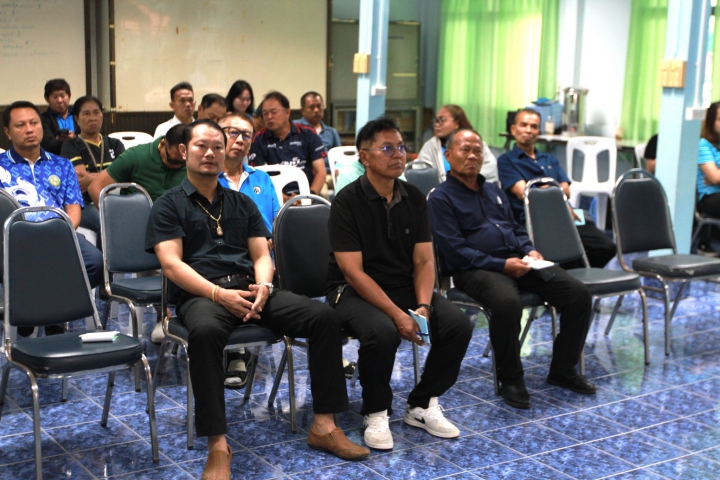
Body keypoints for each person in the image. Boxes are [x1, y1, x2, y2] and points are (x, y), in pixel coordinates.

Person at [146, 119, 369, 478]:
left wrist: (264, 286)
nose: (210, 153)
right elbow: (171, 264)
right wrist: (218, 293)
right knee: (205, 334)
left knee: (324, 318)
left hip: (252, 289)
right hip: (203, 294)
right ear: (185, 151)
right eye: (202, 146)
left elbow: (261, 254)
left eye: (217, 147)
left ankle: (324, 426)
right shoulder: (168, 204)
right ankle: (218, 446)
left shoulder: (241, 203)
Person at [326, 116, 472, 450]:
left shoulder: (414, 198)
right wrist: (396, 314)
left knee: (457, 325)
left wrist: (423, 306)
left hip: (402, 285)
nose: (398, 155)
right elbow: (353, 272)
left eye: (402, 147)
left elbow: (424, 261)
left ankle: (422, 404)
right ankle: (376, 411)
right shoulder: (347, 201)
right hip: (351, 290)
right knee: (382, 331)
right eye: (387, 148)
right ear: (365, 157)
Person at [428, 128, 596, 410]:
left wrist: (529, 249)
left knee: (578, 294)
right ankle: (511, 380)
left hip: (517, 260)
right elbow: (455, 251)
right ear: (448, 155)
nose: (472, 156)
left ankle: (563, 370)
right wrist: (501, 265)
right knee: (507, 303)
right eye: (465, 150)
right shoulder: (440, 198)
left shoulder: (493, 190)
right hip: (475, 269)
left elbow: (514, 228)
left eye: (477, 151)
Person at [1, 101, 103, 338]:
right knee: (39, 265)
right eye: (20, 125)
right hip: (14, 240)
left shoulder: (62, 165)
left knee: (95, 264)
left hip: (59, 234)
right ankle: (51, 313)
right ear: (8, 132)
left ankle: (37, 307)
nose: (29, 129)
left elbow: (74, 209)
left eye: (34, 123)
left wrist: (61, 233)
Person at [497, 109, 616, 269]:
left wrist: (544, 190)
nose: (528, 130)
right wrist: (554, 189)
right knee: (562, 251)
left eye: (534, 126)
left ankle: (571, 274)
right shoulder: (506, 160)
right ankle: (568, 276)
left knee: (607, 247)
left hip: (567, 214)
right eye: (523, 125)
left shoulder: (550, 158)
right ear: (513, 129)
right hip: (535, 220)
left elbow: (567, 191)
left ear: (538, 132)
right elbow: (524, 193)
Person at [60, 95, 125, 234]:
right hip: (84, 205)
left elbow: (124, 175)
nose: (92, 118)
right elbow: (82, 181)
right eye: (86, 114)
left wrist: (93, 179)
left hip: (116, 200)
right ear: (76, 119)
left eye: (96, 112)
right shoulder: (71, 145)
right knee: (106, 220)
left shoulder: (115, 144)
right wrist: (110, 177)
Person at [249, 91, 327, 196]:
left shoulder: (308, 133)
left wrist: (308, 197)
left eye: (273, 112)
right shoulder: (258, 139)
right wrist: (285, 199)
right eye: (265, 113)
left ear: (287, 112)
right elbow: (258, 178)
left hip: (308, 193)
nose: (269, 117)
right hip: (274, 197)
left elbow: (321, 173)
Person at [88, 124, 187, 204]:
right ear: (162, 144)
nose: (178, 166)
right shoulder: (134, 156)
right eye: (173, 161)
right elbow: (95, 188)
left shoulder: (193, 160)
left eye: (183, 163)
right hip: (139, 216)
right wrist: (114, 217)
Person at [417, 104, 498, 184]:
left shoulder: (476, 143)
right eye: (436, 120)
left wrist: (468, 182)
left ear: (456, 124)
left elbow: (490, 169)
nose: (437, 124)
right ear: (447, 154)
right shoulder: (431, 145)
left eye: (442, 120)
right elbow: (421, 172)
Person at [295, 91, 341, 195]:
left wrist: (338, 169)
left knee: (350, 185)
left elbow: (339, 158)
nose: (316, 110)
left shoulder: (331, 132)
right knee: (322, 190)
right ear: (302, 110)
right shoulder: (295, 129)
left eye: (319, 106)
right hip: (311, 174)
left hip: (331, 173)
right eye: (311, 107)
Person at [40, 78, 79, 155]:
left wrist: (75, 138)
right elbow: (48, 145)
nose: (60, 100)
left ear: (69, 96)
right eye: (54, 97)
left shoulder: (78, 114)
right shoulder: (43, 119)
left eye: (63, 96)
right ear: (47, 99)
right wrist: (59, 140)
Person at [697, 101, 720, 220]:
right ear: (711, 122)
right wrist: (715, 177)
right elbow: (715, 178)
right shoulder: (703, 144)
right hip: (711, 196)